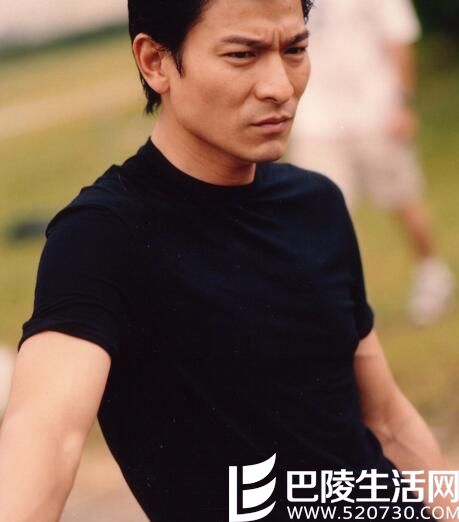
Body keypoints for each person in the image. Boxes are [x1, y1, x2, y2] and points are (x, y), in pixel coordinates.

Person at [0, 1, 452, 521]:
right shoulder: (102, 236)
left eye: (295, 50)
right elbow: (47, 437)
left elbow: (389, 419)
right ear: (155, 62)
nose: (280, 86)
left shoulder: (317, 204)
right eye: (243, 54)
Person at [288, 0, 454, 326]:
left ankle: (433, 274)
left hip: (375, 112)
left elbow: (399, 38)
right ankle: (347, 298)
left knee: (402, 199)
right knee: (326, 213)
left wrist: (403, 103)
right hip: (316, 120)